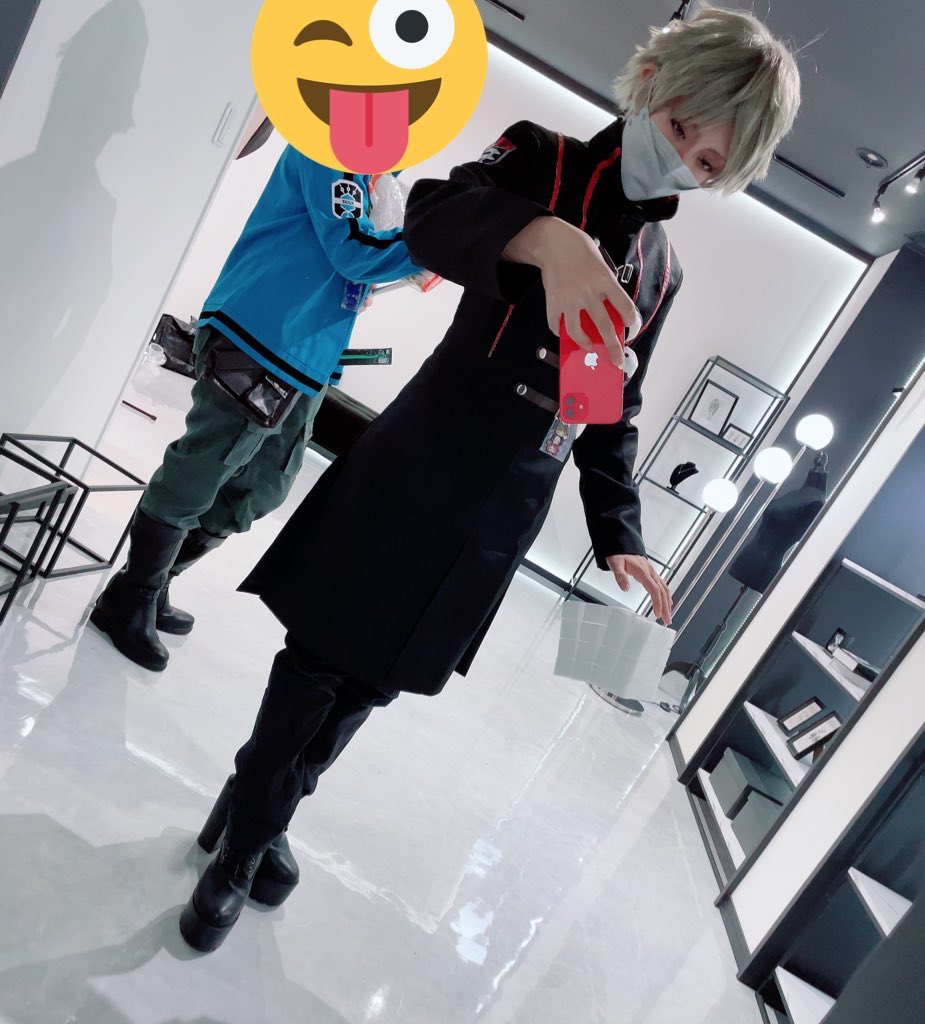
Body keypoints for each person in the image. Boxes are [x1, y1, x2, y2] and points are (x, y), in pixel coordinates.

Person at [177, 6, 801, 952]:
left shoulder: (659, 269)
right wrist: (542, 238)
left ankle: (260, 804)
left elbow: (608, 405)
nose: (682, 162)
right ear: (651, 85)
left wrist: (620, 530)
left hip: (505, 503)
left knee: (376, 681)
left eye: (708, 164)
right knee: (320, 659)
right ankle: (240, 849)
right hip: (424, 457)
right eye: (680, 129)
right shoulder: (539, 158)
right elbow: (432, 218)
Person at [90, 144, 421, 672]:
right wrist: (433, 242)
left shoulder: (373, 174)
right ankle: (133, 594)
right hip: (261, 334)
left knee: (264, 485)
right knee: (204, 466)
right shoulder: (330, 146)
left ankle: (157, 581)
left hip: (309, 351)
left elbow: (353, 258)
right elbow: (353, 250)